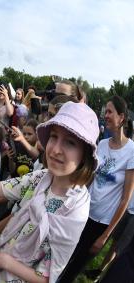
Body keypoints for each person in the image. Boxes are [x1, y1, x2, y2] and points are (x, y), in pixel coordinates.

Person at [0, 101, 99, 282]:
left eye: (70, 143)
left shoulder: (75, 209)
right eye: (54, 137)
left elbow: (48, 278)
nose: (55, 150)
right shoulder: (41, 178)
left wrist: (6, 262)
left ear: (85, 155)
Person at [59, 95, 134, 282]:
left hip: (101, 223)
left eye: (109, 112)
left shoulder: (132, 152)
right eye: (105, 111)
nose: (105, 115)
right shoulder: (100, 144)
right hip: (82, 212)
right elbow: (89, 179)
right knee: (62, 257)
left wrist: (105, 236)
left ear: (121, 117)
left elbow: (125, 199)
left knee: (75, 267)